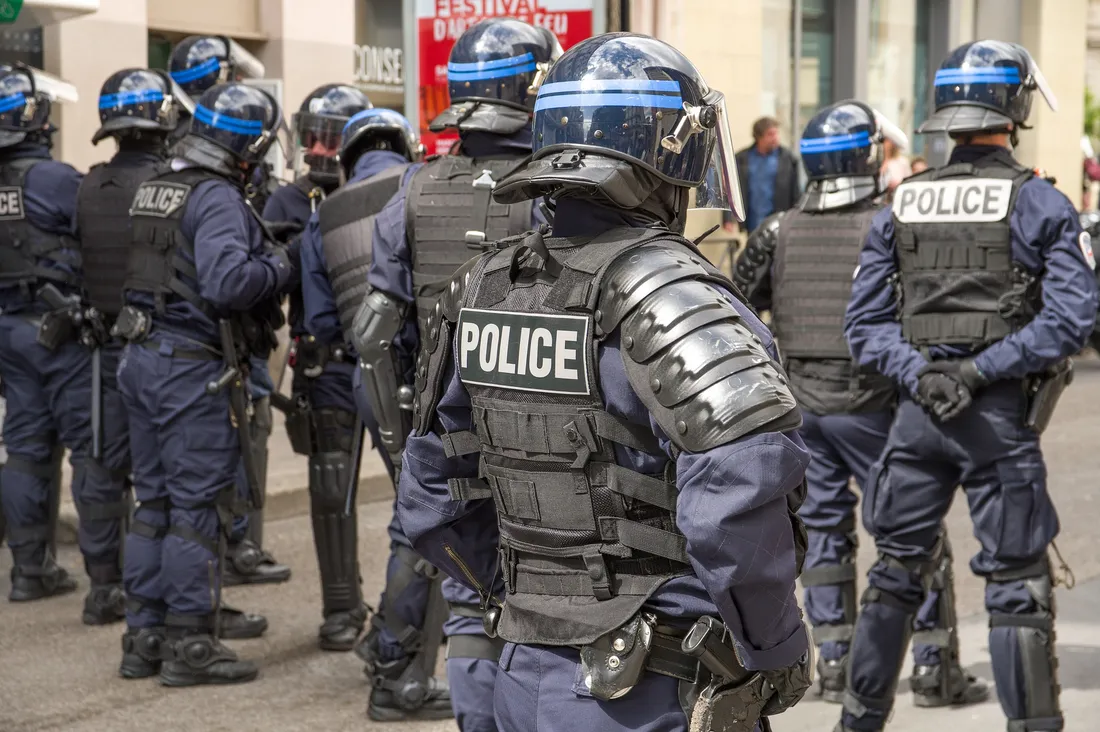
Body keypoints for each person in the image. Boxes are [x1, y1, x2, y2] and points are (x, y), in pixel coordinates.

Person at [394, 31, 814, 732]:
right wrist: (776, 646)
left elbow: (432, 492)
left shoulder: (482, 288)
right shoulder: (675, 294)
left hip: (519, 676)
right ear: (666, 150)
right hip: (646, 691)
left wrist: (525, 598)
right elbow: (739, 500)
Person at [837, 40, 1098, 732]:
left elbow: (862, 327)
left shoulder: (902, 202)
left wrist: (923, 374)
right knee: (1016, 587)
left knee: (893, 577)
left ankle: (856, 722)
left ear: (946, 112)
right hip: (999, 422)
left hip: (917, 420)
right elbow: (1075, 318)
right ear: (1013, 109)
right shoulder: (1041, 200)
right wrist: (978, 371)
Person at [734, 100, 988, 709]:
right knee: (911, 531)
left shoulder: (778, 228)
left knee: (823, 532)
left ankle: (837, 666)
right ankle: (932, 669)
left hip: (802, 409)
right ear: (870, 156)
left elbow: (742, 302)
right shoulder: (893, 225)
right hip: (876, 407)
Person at [348, 17, 561, 729]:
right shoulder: (559, 191)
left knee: (466, 592)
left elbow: (373, 337)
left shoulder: (409, 189)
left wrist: (402, 438)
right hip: (547, 427)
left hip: (445, 427)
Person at [116, 82, 296, 686]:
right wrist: (279, 263)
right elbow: (226, 283)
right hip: (189, 369)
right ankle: (191, 641)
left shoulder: (156, 187)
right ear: (245, 145)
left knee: (154, 504)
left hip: (141, 357)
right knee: (194, 509)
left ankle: (143, 635)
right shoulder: (216, 197)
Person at [69, 68, 195, 627]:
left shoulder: (87, 185)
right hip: (163, 352)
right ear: (163, 118)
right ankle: (170, 601)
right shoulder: (173, 187)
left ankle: (103, 588)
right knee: (168, 484)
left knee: (100, 467)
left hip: (100, 352)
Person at [168, 34, 289, 588]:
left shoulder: (183, 146)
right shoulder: (216, 160)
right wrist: (278, 263)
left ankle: (169, 610)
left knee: (174, 487)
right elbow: (226, 276)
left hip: (177, 337)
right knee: (222, 463)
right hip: (211, 339)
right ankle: (232, 553)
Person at [269, 87, 382, 653]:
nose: (316, 146)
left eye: (329, 135)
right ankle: (341, 607)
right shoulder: (288, 202)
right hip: (327, 366)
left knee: (421, 488)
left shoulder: (385, 189)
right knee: (330, 488)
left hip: (388, 360)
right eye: (311, 132)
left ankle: (410, 613)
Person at [0, 65, 103, 612]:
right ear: (33, 116)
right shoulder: (55, 179)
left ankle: (28, 571)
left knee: (24, 449)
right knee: (90, 450)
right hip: (59, 333)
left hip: (8, 333)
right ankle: (107, 578)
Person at [723, 116, 801, 234]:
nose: (776, 138)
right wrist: (727, 218)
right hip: (753, 223)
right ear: (759, 137)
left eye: (776, 133)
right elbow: (730, 190)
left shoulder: (788, 159)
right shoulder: (742, 159)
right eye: (770, 134)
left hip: (779, 222)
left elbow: (796, 192)